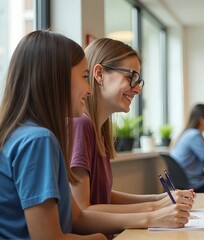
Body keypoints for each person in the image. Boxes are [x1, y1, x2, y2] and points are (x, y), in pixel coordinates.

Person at [0, 30, 189, 239]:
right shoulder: (39, 140)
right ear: (56, 79)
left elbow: (78, 215)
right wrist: (150, 214)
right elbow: (64, 226)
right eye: (83, 77)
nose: (89, 89)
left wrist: (155, 207)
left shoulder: (30, 136)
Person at [70, 37, 195, 228]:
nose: (137, 89)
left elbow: (102, 195)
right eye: (131, 78)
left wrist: (160, 199)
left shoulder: (99, 130)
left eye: (139, 81)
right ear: (100, 73)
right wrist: (155, 209)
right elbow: (84, 210)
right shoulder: (81, 124)